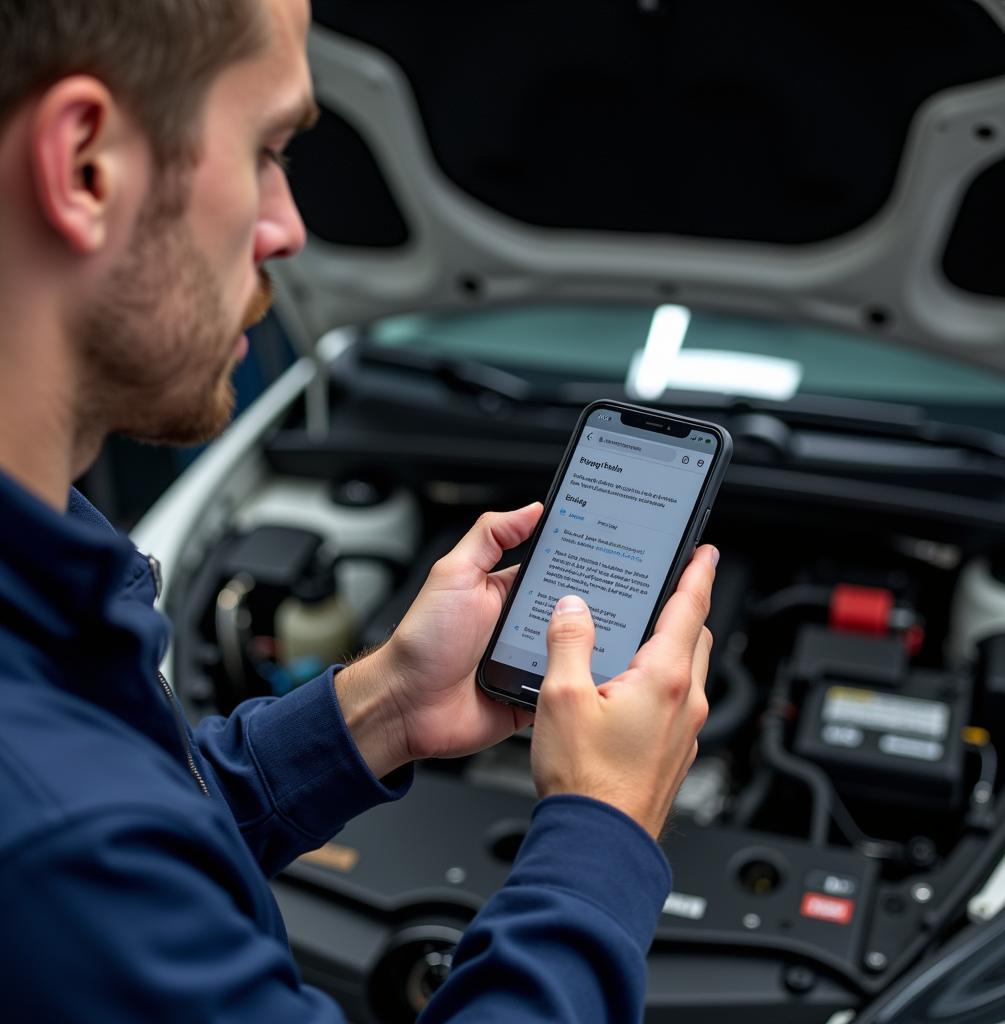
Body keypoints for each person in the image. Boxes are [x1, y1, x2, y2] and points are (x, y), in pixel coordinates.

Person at [0, 1, 716, 1020]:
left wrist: (381, 707)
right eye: (267, 149)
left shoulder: (46, 620)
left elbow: (148, 845)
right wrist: (603, 830)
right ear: (85, 165)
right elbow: (92, 855)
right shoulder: (49, 841)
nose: (289, 226)